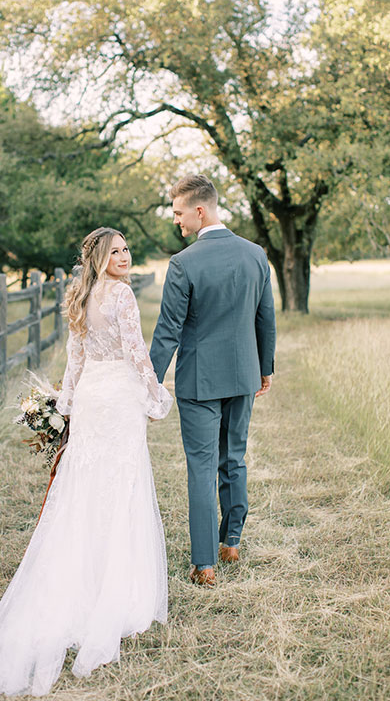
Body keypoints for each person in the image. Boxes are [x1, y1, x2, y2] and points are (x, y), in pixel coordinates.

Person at [0, 227, 173, 696]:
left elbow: (76, 358)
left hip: (90, 398)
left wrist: (66, 402)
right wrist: (157, 395)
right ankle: (117, 593)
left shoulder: (80, 295)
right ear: (99, 257)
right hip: (117, 398)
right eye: (116, 251)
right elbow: (134, 352)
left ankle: (84, 580)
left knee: (87, 488)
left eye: (127, 249)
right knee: (119, 486)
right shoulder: (122, 296)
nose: (124, 256)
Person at [150, 175, 276, 587]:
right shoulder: (256, 254)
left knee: (201, 468)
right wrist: (265, 367)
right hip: (242, 376)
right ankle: (232, 541)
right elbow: (265, 317)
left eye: (179, 213)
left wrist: (148, 382)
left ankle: (205, 564)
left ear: (199, 210)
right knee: (234, 458)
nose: (177, 222)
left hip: (200, 382)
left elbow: (168, 332)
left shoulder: (184, 263)